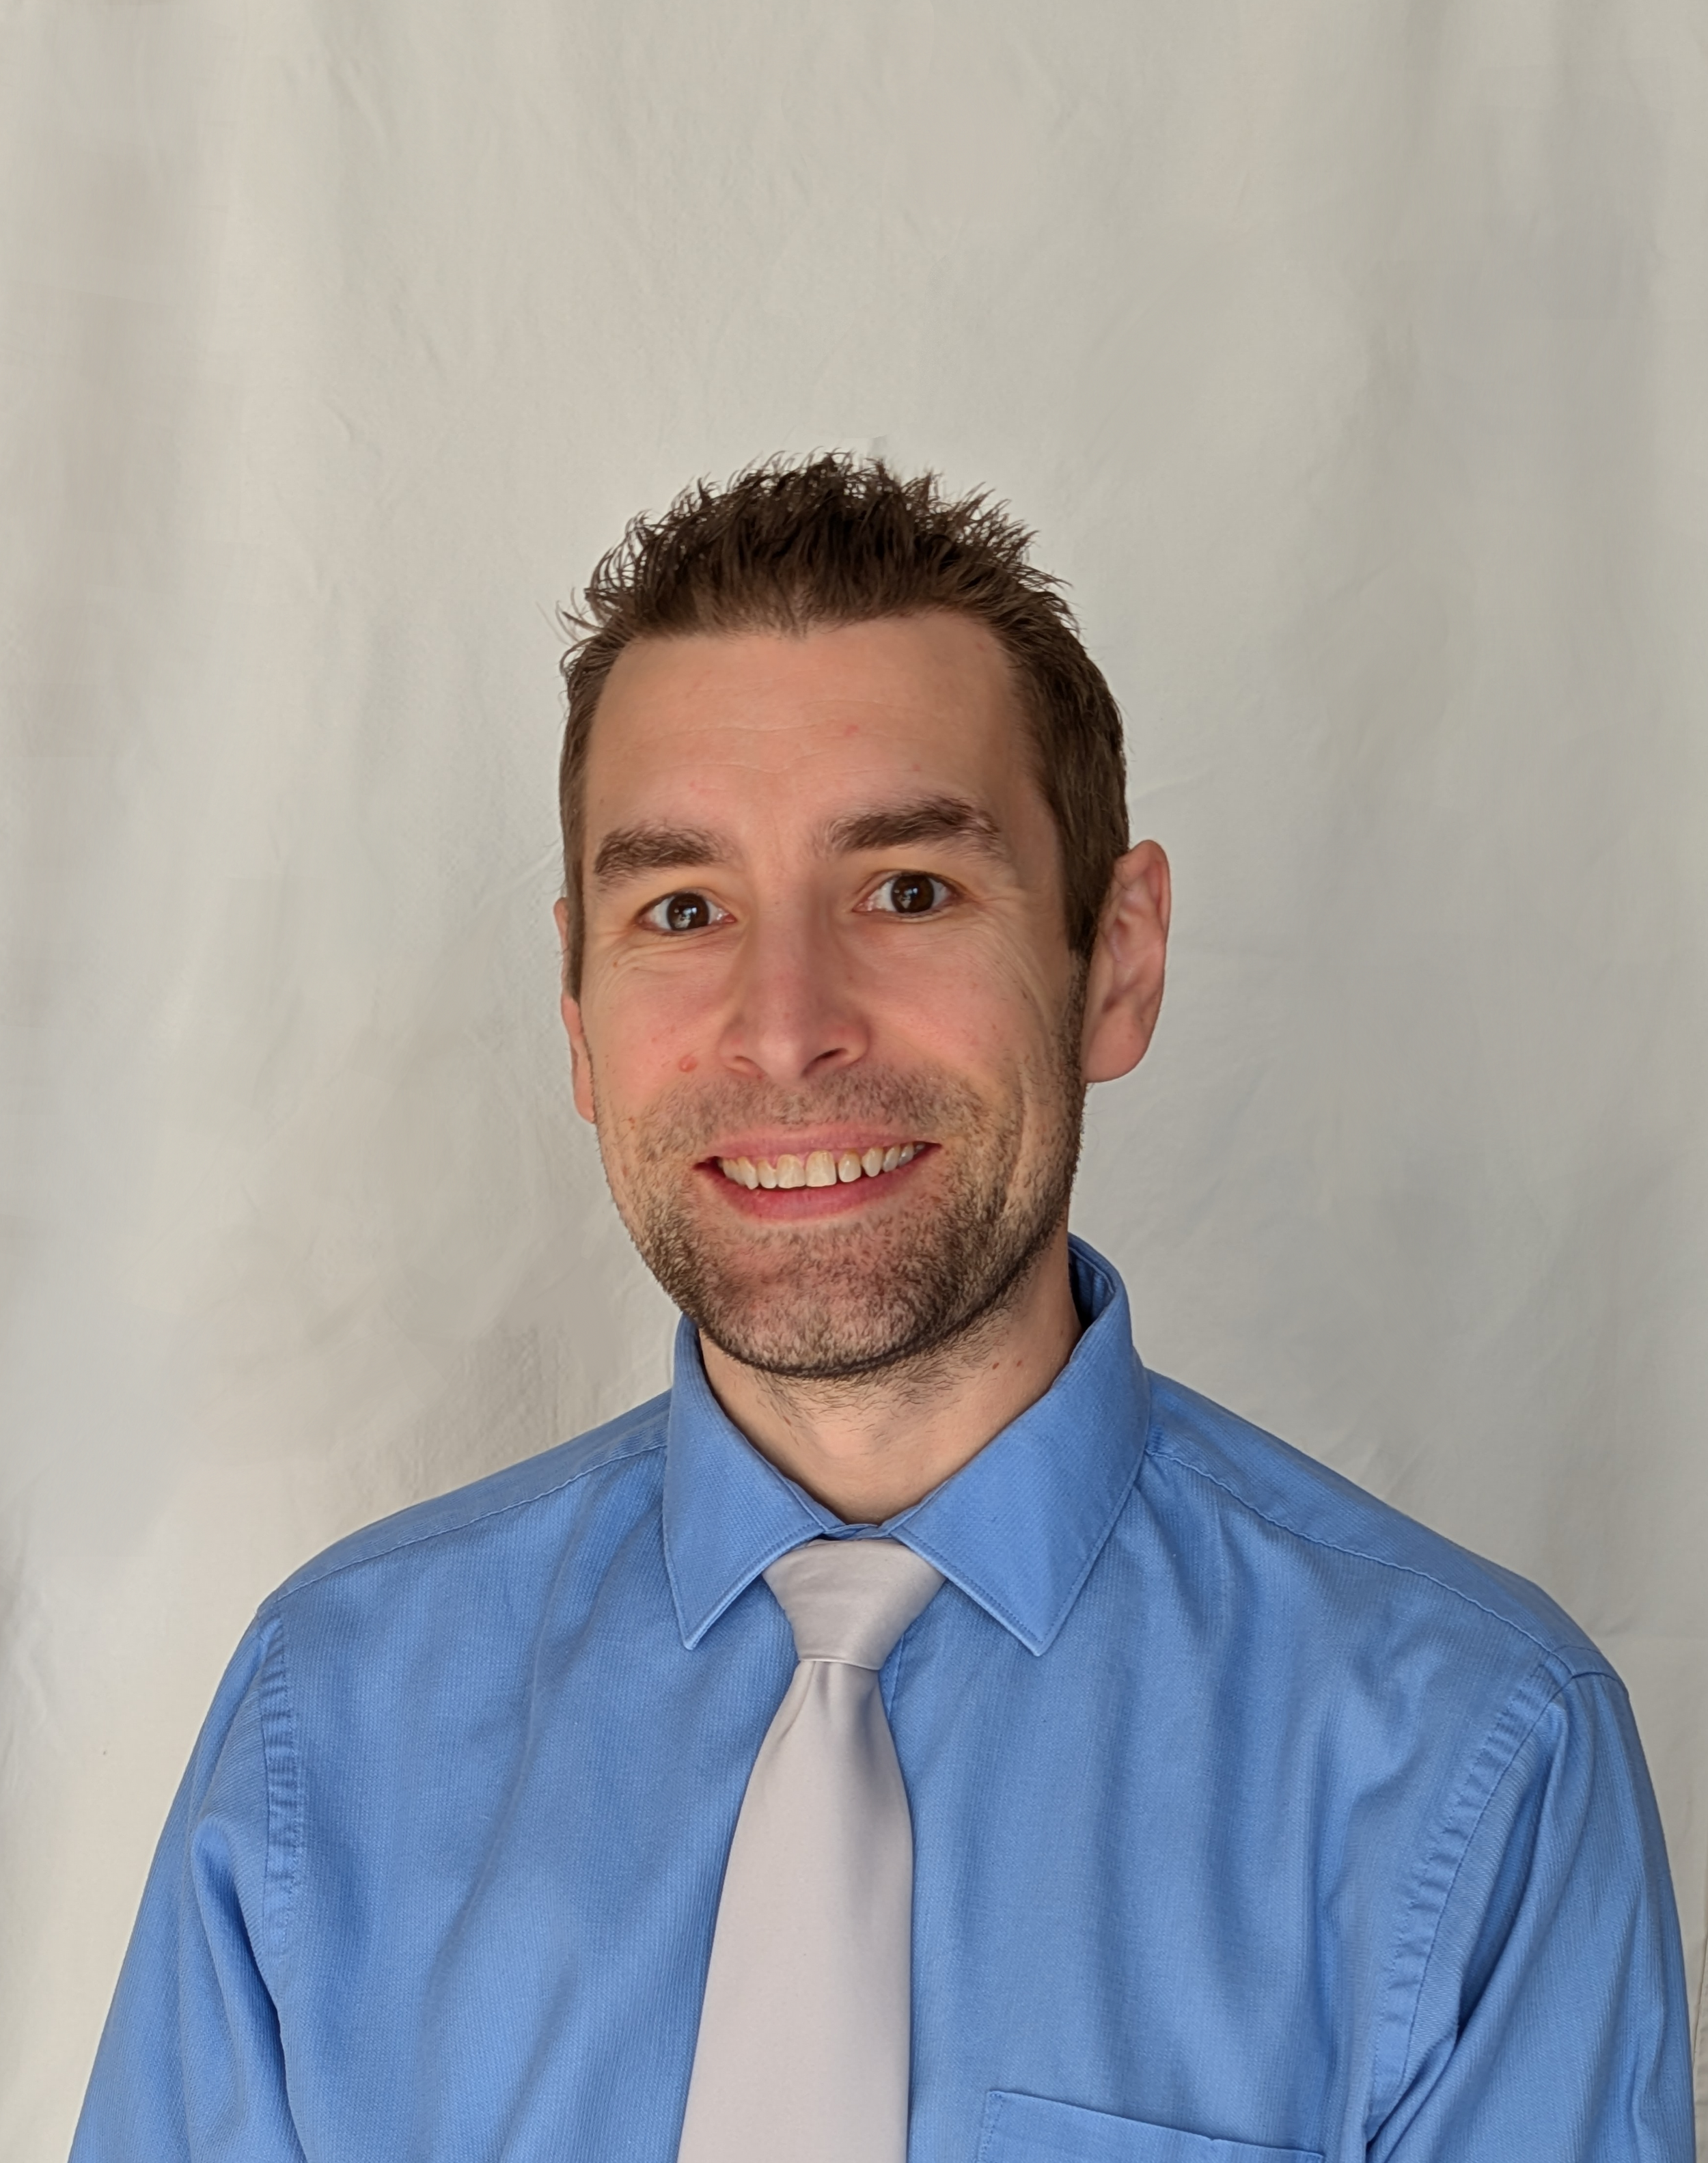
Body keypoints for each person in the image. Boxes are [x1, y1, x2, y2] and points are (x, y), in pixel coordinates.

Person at [73, 456, 1692, 2162]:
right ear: (575, 1007)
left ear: (1114, 959)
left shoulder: (1471, 1759)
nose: (784, 1026)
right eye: (680, 907)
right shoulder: (323, 1723)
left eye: (907, 889)